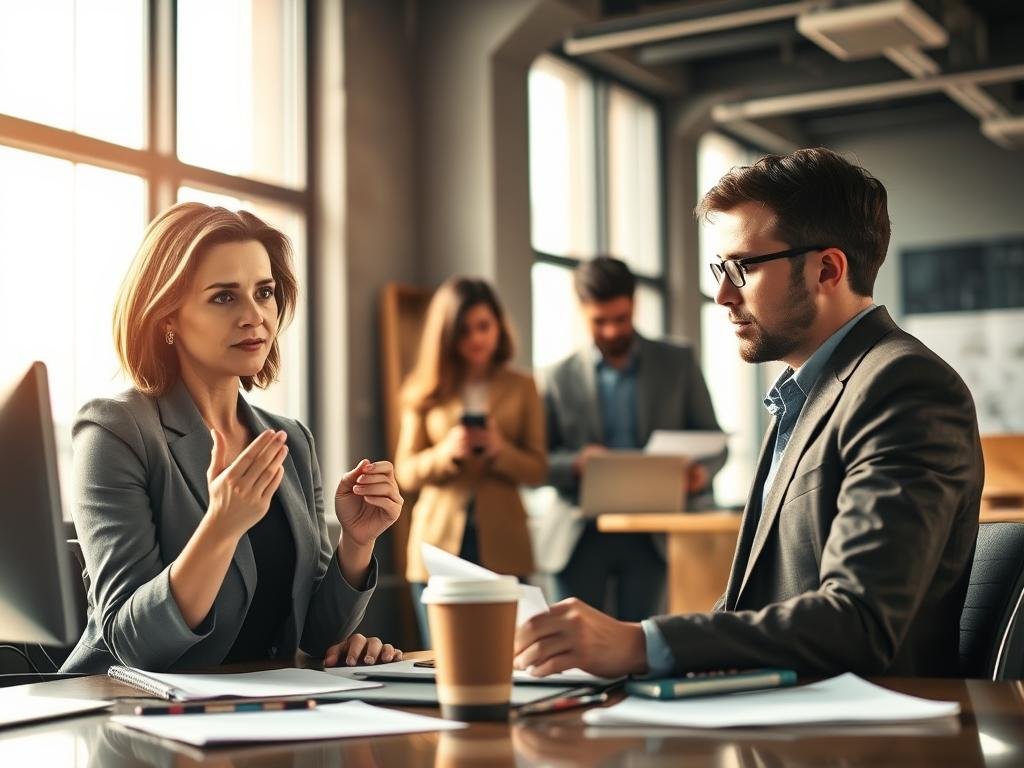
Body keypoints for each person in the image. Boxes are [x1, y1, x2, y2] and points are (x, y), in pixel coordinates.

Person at [514, 147, 984, 679]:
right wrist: (635, 661)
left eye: (740, 268)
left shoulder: (904, 386)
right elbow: (750, 609)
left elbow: (860, 620)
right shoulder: (803, 393)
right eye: (722, 268)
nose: (720, 295)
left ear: (827, 269)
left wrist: (643, 643)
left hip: (860, 737)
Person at [62, 203, 403, 673]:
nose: (255, 316)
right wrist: (222, 526)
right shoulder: (114, 431)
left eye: (264, 293)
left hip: (254, 711)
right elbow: (131, 643)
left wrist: (357, 542)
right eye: (224, 297)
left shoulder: (292, 441)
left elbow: (317, 636)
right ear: (167, 316)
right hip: (127, 711)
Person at [540, 256, 725, 621]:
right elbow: (538, 463)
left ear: (634, 304)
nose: (611, 332)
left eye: (620, 319)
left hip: (652, 535)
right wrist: (574, 463)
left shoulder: (677, 362)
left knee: (643, 644)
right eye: (599, 322)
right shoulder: (556, 377)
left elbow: (714, 440)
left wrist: (700, 474)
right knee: (573, 650)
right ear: (581, 311)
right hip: (579, 536)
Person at [396, 277, 546, 645]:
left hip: (505, 544)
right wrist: (446, 453)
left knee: (509, 657)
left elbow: (539, 468)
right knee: (442, 661)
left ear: (499, 326)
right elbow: (405, 473)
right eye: (464, 330)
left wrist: (500, 450)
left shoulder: (522, 386)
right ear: (446, 335)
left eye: (484, 326)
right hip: (437, 543)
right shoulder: (424, 388)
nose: (476, 339)